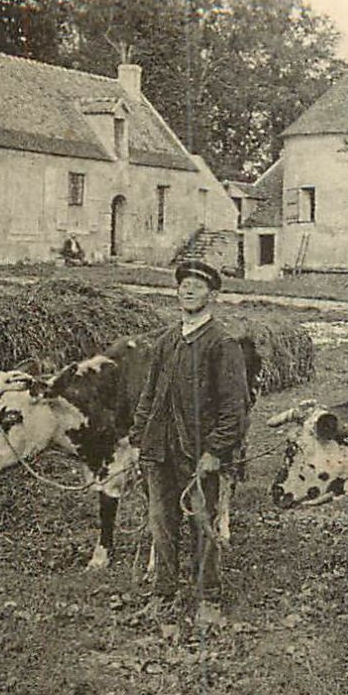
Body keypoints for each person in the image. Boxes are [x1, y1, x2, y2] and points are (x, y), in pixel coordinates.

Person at [129, 260, 250, 626]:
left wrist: (216, 451)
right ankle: (162, 596)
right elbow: (149, 396)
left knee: (203, 523)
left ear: (212, 294)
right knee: (160, 524)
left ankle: (208, 599)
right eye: (184, 284)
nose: (189, 290)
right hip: (159, 451)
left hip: (199, 454)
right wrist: (139, 439)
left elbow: (235, 407)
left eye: (198, 285)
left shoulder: (222, 343)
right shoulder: (167, 341)